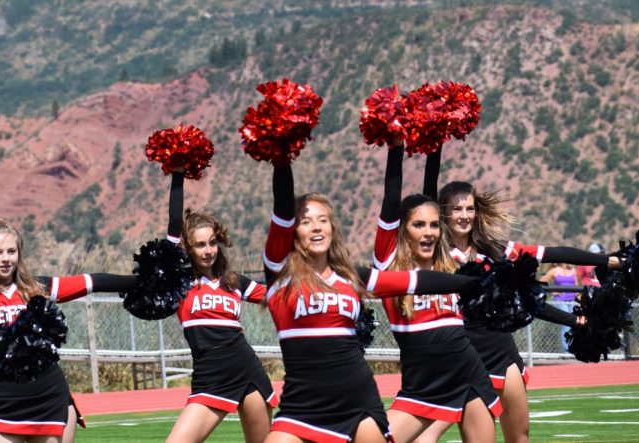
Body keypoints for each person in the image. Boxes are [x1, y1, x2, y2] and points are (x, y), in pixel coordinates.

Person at [262, 162, 485, 443]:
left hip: (359, 404)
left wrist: (475, 282)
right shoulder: (280, 273)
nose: (316, 227)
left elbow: (414, 282)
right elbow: (282, 209)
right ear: (293, 232)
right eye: (305, 221)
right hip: (301, 407)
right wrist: (282, 155)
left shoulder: (351, 277)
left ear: (332, 228)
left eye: (322, 220)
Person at [413, 154, 619, 443]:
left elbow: (551, 256)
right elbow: (426, 196)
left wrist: (606, 261)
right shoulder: (436, 252)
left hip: (501, 350)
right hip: (461, 353)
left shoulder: (496, 251)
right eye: (455, 208)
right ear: (442, 212)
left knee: (519, 435)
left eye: (469, 208)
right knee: (429, 435)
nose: (464, 215)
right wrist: (435, 147)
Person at [0, 195, 136, 443]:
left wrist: (142, 282)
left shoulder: (36, 289)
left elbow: (91, 282)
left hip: (48, 398)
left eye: (11, 251)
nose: (5, 258)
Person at [374, 149, 502, 443]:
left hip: (468, 374)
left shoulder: (447, 263)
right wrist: (396, 148)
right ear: (402, 230)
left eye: (434, 225)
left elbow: (432, 198)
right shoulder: (390, 266)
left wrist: (436, 141)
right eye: (418, 225)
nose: (429, 232)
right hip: (423, 385)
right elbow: (391, 201)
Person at [163, 172, 278, 443]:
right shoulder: (181, 281)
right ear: (188, 249)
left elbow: (281, 298)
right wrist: (178, 174)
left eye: (212, 242)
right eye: (200, 245)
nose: (208, 250)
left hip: (246, 368)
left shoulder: (235, 282)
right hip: (210, 374)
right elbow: (173, 225)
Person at [540, 263, 580, 350]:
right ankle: (567, 350)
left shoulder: (573, 271)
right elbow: (542, 281)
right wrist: (554, 292)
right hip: (561, 300)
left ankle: (575, 347)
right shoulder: (555, 270)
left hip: (572, 301)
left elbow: (576, 285)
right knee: (566, 324)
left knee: (575, 324)